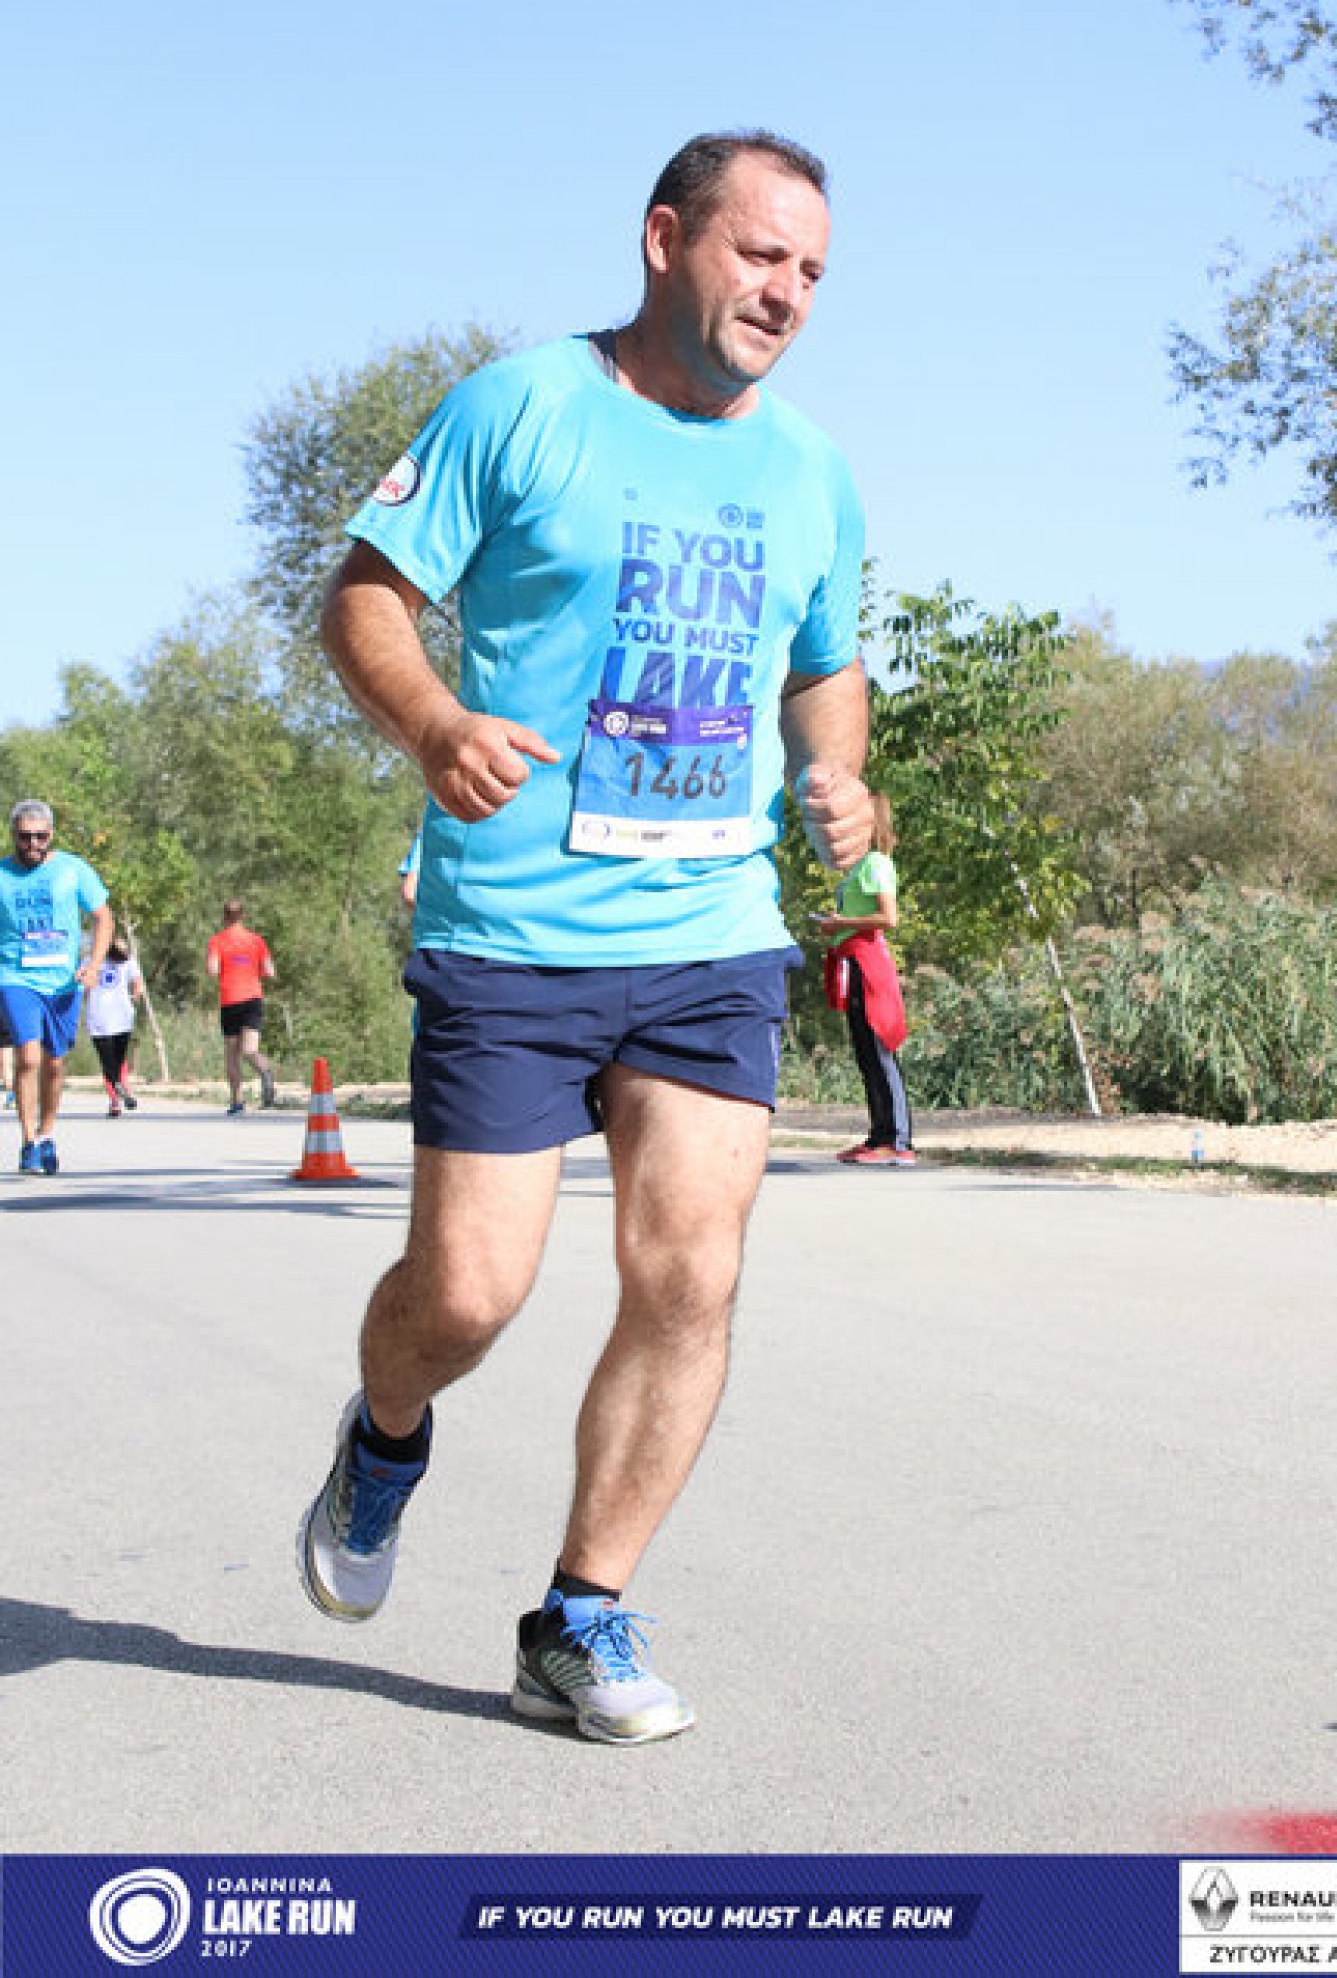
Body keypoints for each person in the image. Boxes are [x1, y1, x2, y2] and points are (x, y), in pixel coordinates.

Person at [299, 129, 873, 1745]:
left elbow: (826, 664)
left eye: (814, 271)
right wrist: (433, 726)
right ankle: (386, 1434)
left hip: (711, 931)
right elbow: (363, 596)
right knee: (469, 1295)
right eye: (762, 254)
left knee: (691, 1272)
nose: (788, 293)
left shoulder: (812, 471)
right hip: (513, 933)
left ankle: (580, 1614)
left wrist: (841, 774)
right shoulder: (522, 407)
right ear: (665, 238)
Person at [0, 799, 113, 1174]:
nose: (33, 843)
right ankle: (28, 1142)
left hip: (64, 982)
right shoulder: (2, 874)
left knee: (54, 1062)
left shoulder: (73, 869)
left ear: (51, 834)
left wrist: (93, 964)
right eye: (25, 836)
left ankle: (47, 1134)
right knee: (29, 1057)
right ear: (13, 835)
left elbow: (103, 917)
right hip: (15, 977)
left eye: (40, 836)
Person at [815, 791, 915, 1166]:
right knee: (865, 1053)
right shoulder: (858, 868)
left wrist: (842, 922)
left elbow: (888, 918)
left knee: (879, 1048)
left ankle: (899, 1140)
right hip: (851, 960)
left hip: (868, 963)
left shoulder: (876, 864)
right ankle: (879, 1136)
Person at [205, 901, 277, 1115]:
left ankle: (237, 1101)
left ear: (225, 917)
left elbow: (212, 970)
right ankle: (265, 1071)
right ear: (242, 916)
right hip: (253, 998)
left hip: (230, 1000)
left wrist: (227, 968)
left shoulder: (217, 941)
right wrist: (251, 971)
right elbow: (270, 971)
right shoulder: (256, 940)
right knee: (249, 1050)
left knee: (232, 1053)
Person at [85, 937, 144, 1116]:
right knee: (112, 1059)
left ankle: (118, 1094)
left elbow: (137, 981)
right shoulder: (90, 961)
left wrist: (135, 995)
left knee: (113, 1060)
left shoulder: (127, 961)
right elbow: (85, 986)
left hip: (117, 1017)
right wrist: (135, 995)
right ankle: (119, 1094)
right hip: (104, 1017)